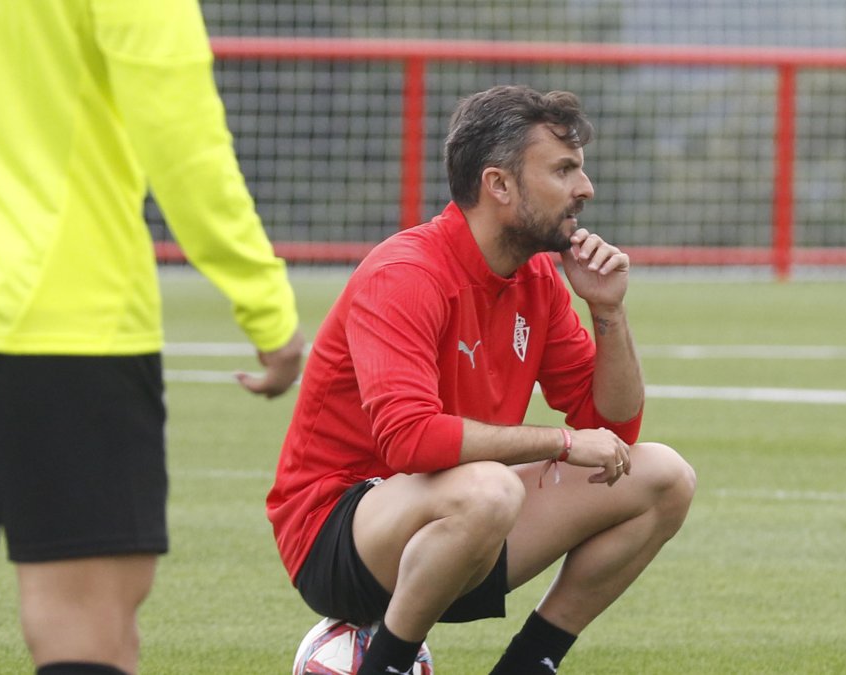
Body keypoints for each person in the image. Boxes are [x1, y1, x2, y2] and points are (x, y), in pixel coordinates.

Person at [267, 84, 696, 675]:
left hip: (468, 523)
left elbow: (612, 432)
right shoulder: (406, 273)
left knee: (664, 476)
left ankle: (528, 666)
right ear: (499, 185)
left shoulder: (538, 280)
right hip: (337, 538)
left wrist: (608, 312)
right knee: (488, 489)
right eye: (564, 169)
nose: (585, 188)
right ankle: (384, 665)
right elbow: (409, 442)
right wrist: (559, 442)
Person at [0, 2, 304, 674]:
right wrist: (266, 307)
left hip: (47, 321)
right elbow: (183, 143)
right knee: (87, 635)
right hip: (59, 319)